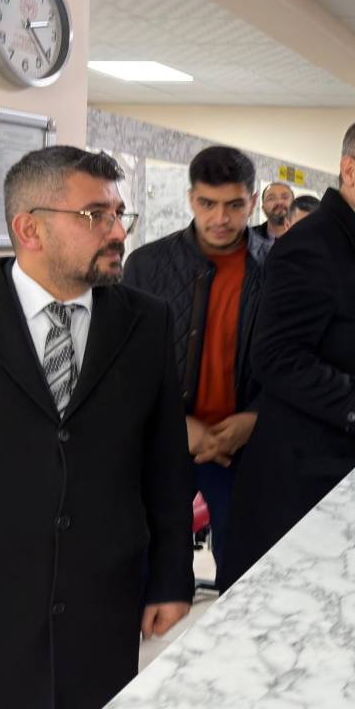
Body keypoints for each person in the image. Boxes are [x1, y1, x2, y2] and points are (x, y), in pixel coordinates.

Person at [0, 147, 194, 709]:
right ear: (29, 229)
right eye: (95, 215)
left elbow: (166, 465)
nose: (117, 232)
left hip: (98, 624)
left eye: (119, 214)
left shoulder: (147, 321)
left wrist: (171, 577)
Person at [219, 118, 355, 591]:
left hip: (349, 473)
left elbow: (345, 340)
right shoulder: (312, 247)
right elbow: (277, 359)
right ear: (350, 170)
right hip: (305, 491)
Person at [123, 146, 268, 583]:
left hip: (243, 446)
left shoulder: (280, 268)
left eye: (234, 205)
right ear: (190, 199)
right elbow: (129, 361)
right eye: (207, 203)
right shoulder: (147, 265)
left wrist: (256, 418)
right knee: (149, 568)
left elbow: (296, 358)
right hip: (165, 440)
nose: (220, 218)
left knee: (243, 573)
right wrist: (177, 423)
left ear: (253, 202)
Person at [253, 181, 293, 246]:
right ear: (263, 209)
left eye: (285, 197)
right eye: (271, 198)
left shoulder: (308, 239)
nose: (279, 202)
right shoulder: (247, 239)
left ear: (295, 206)